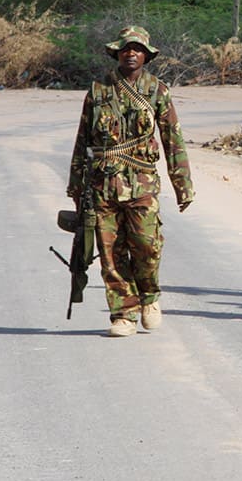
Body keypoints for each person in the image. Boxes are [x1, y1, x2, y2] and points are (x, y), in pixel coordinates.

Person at [66, 25, 194, 337]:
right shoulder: (98, 91)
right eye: (126, 49)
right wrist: (76, 184)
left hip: (142, 184)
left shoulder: (157, 91)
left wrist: (182, 185)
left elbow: (172, 140)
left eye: (137, 49)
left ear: (146, 55)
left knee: (146, 247)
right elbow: (83, 139)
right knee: (110, 253)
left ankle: (149, 296)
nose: (131, 54)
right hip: (103, 184)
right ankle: (123, 314)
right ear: (117, 53)